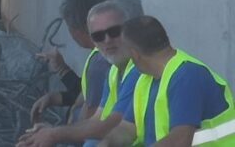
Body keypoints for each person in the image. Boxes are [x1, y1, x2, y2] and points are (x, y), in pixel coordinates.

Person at [18, 0, 145, 147]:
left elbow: (105, 128)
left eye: (115, 31)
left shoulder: (133, 70)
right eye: (98, 35)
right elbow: (97, 120)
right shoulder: (115, 70)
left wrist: (56, 134)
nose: (107, 41)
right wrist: (53, 131)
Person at [101, 16, 235, 147]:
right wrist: (106, 143)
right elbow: (128, 129)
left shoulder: (187, 75)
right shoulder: (145, 80)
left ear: (134, 54)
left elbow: (179, 140)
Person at [30, 0, 113, 127]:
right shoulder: (99, 55)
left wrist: (54, 134)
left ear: (77, 30)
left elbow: (89, 124)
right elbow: (86, 93)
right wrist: (61, 71)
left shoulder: (100, 63)